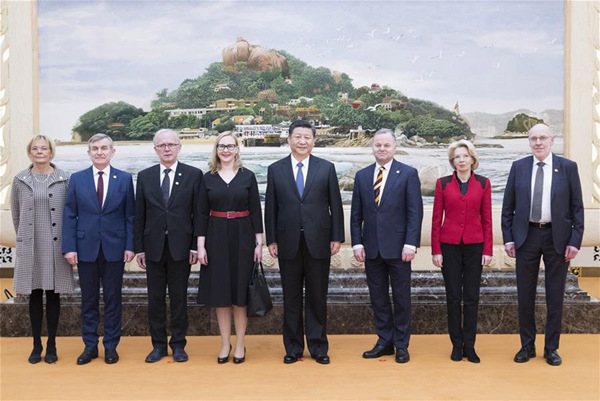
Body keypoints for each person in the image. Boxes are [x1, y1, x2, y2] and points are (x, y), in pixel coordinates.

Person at [502, 123, 584, 366]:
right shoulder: (519, 167)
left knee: (555, 296)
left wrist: (575, 241)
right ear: (529, 142)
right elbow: (508, 208)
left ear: (552, 140)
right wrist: (508, 237)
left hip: (557, 239)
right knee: (525, 295)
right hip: (526, 237)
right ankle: (527, 346)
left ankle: (551, 348)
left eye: (542, 138)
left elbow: (577, 208)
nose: (538, 142)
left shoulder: (567, 168)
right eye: (533, 138)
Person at [265, 120, 344, 365]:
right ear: (288, 139)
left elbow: (336, 205)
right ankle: (293, 348)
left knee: (317, 296)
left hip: (319, 240)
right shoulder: (275, 169)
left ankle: (319, 347)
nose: (302, 141)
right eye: (297, 136)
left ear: (313, 141)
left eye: (307, 137)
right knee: (290, 297)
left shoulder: (326, 168)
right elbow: (270, 208)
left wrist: (336, 237)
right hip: (287, 241)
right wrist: (272, 239)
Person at [350, 128, 423, 364]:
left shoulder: (408, 174)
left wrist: (411, 244)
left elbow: (415, 213)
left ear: (394, 147)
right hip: (371, 248)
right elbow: (356, 214)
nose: (382, 149)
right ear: (372, 147)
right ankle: (384, 341)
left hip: (400, 248)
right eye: (378, 145)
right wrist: (357, 243)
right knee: (378, 298)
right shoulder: (362, 176)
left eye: (386, 145)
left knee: (402, 298)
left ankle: (401, 344)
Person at [62, 134, 135, 365]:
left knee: (114, 299)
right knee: (89, 300)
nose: (100, 152)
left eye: (104, 148)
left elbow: (130, 216)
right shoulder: (77, 179)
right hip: (85, 249)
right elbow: (70, 215)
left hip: (115, 248)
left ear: (112, 152)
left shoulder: (123, 179)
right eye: (95, 148)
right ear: (89, 152)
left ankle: (111, 346)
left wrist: (130, 246)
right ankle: (90, 346)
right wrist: (69, 247)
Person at [135, 129, 202, 363]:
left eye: (171, 144)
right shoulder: (144, 177)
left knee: (179, 298)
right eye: (161, 145)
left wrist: (195, 246)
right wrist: (139, 248)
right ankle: (158, 345)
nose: (166, 149)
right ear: (155, 149)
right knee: (155, 299)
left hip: (181, 247)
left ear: (179, 147)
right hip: (152, 248)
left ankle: (179, 345)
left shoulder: (194, 175)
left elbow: (199, 214)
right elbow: (139, 215)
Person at [196, 131, 263, 364]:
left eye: (230, 146)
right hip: (215, 237)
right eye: (221, 146)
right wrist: (201, 247)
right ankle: (225, 343)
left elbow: (256, 211)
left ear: (237, 149)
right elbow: (201, 215)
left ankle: (241, 343)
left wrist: (259, 243)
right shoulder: (207, 179)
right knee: (221, 295)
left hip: (243, 236)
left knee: (239, 295)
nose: (226, 150)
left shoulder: (248, 176)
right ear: (216, 150)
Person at [10, 135, 75, 364]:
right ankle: (36, 344)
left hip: (55, 246)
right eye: (35, 149)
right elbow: (16, 214)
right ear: (29, 153)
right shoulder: (20, 179)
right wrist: (25, 239)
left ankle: (52, 344)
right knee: (34, 295)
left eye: (44, 148)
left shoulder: (65, 179)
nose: (39, 152)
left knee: (53, 294)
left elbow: (70, 213)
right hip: (32, 245)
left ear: (51, 152)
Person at [431, 140, 492, 363]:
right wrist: (436, 251)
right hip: (449, 247)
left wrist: (488, 249)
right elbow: (436, 219)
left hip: (475, 246)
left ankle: (470, 346)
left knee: (472, 298)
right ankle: (456, 345)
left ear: (472, 159)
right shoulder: (443, 184)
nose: (462, 160)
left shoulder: (484, 183)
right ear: (452, 161)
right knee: (453, 297)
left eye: (465, 156)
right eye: (457, 157)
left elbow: (487, 219)